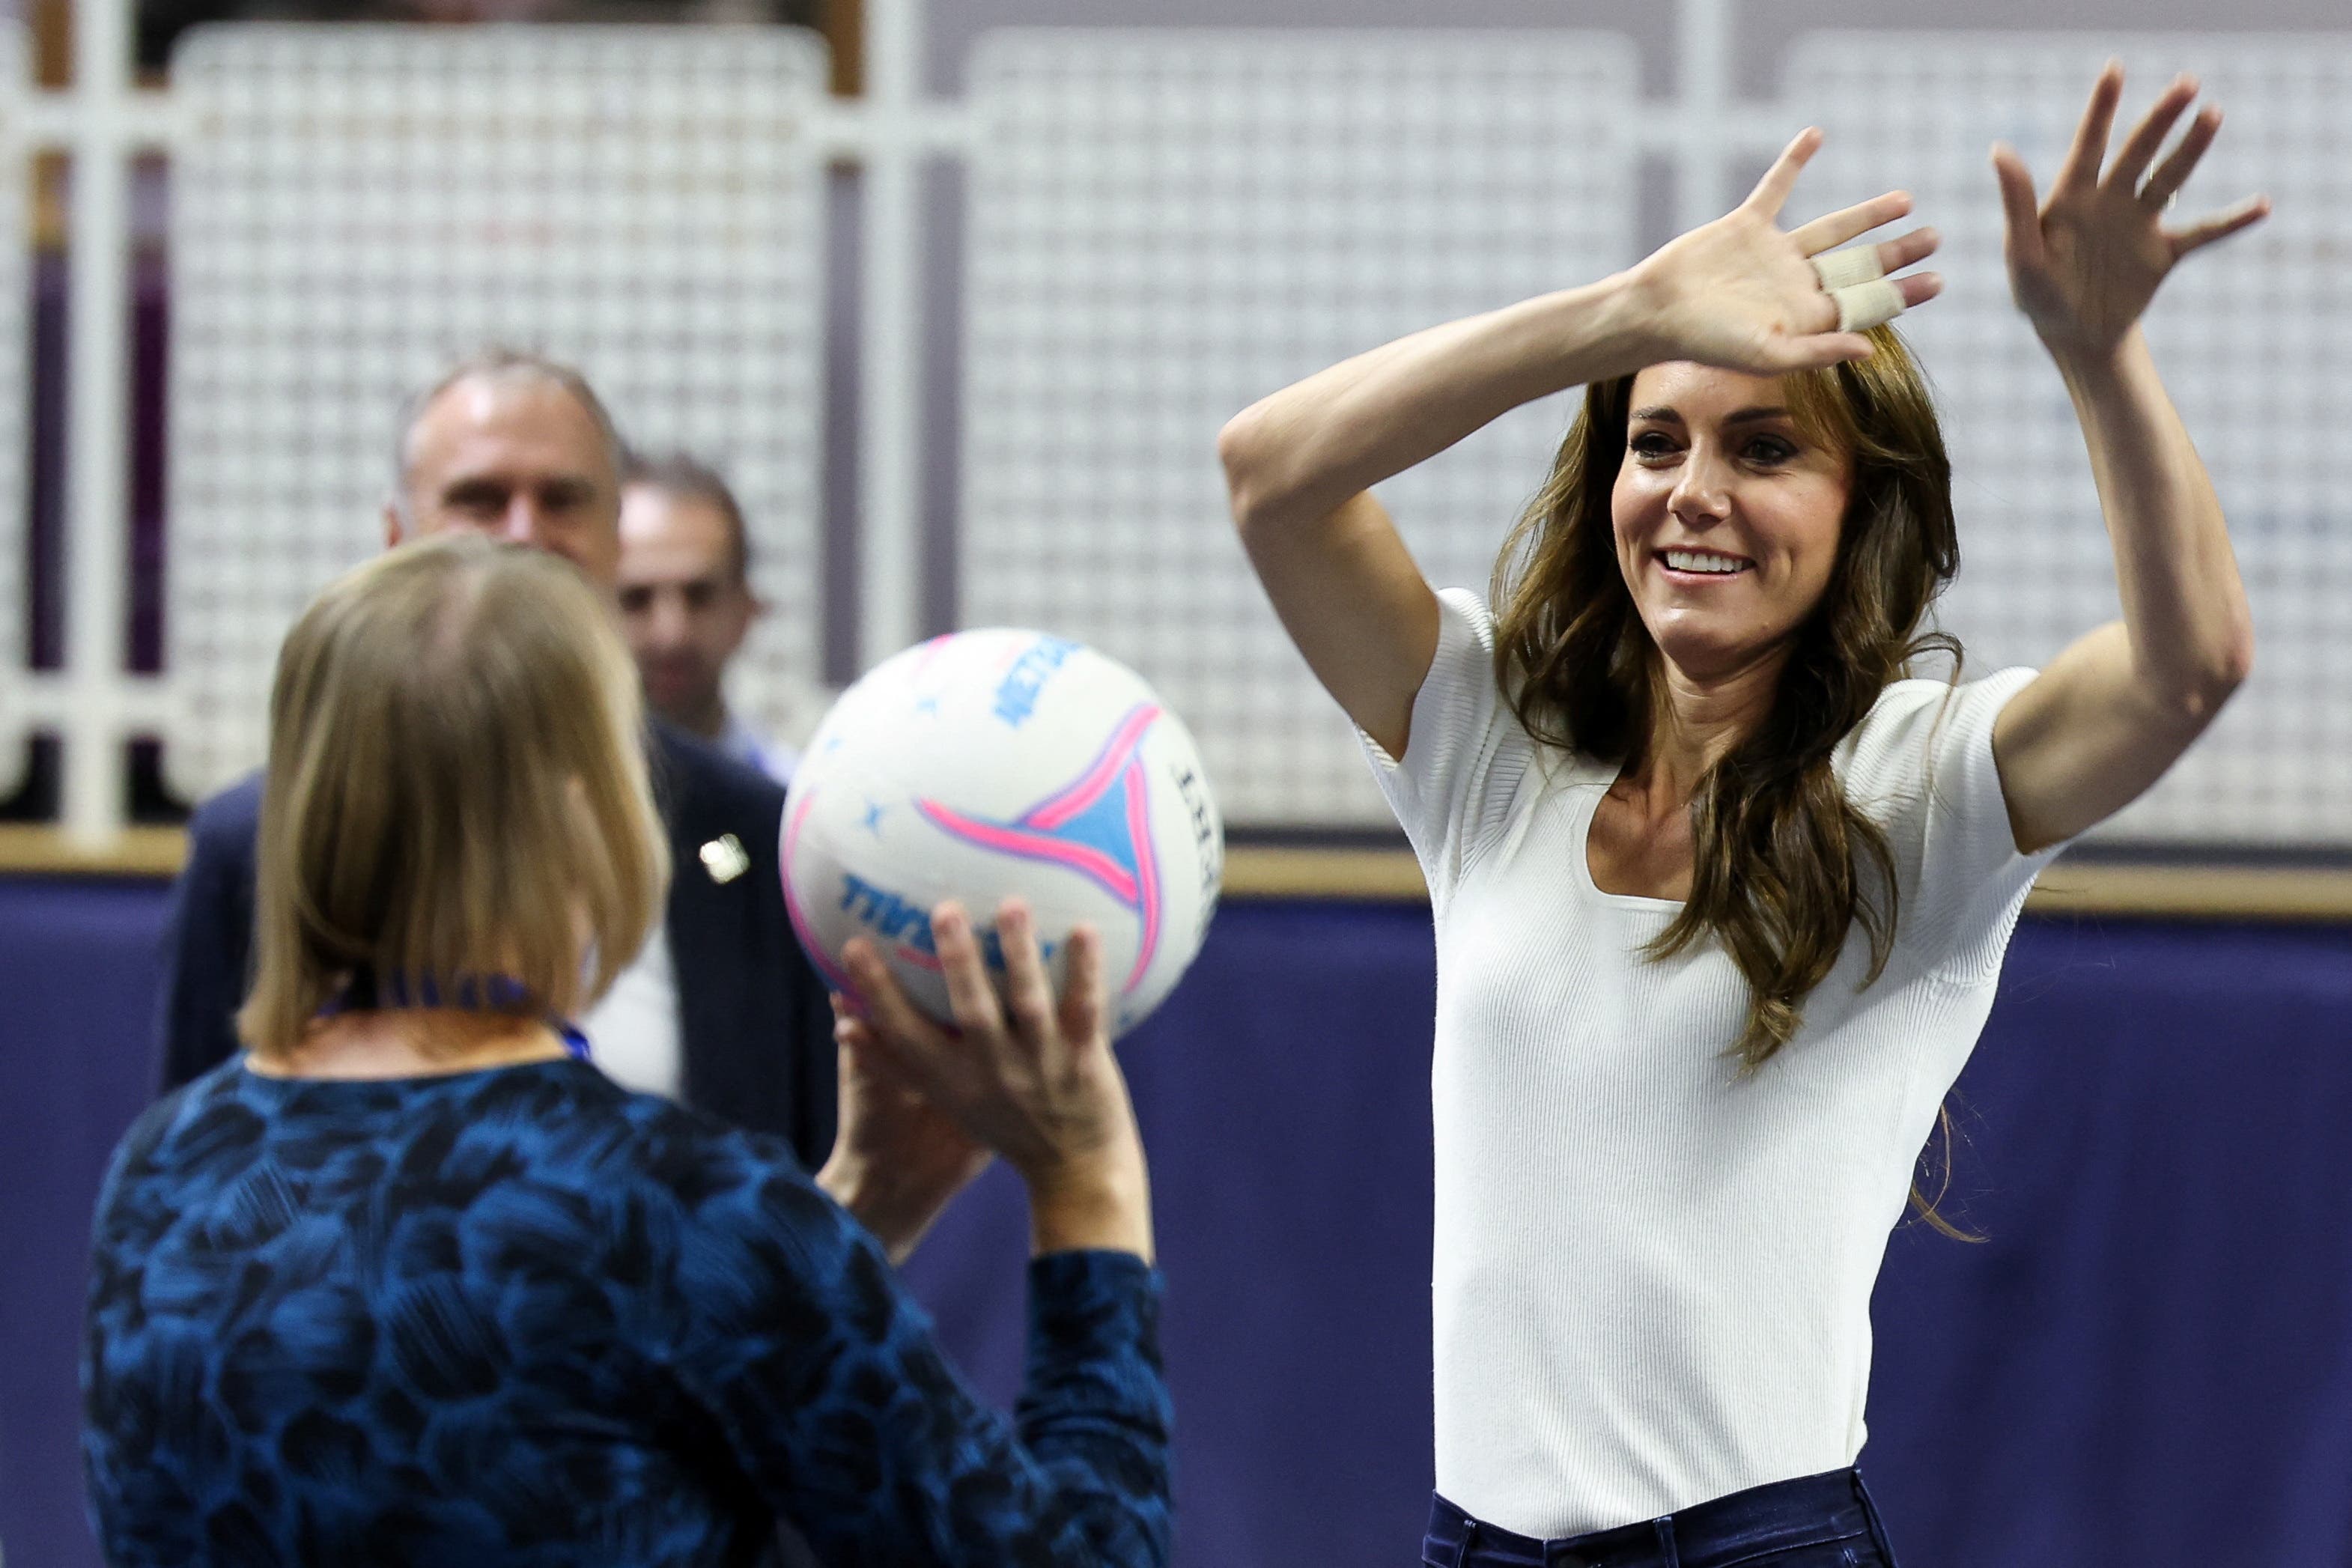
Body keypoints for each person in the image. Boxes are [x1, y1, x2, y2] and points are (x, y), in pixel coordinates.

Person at [1217, 67, 2261, 1565]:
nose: (1692, 493)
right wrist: (1628, 314)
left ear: (1860, 509)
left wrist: (2098, 358)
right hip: (1476, 1543)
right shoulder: (1487, 741)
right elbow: (1271, 475)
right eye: (1655, 443)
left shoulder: (1921, 786)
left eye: (1764, 450)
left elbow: (2188, 670)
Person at [84, 535, 1170, 1567]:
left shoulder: (166, 1170)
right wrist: (1088, 1188)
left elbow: (571, 1401)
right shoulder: (677, 1208)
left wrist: (852, 1212)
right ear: (580, 811)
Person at [154, 351, 836, 1167]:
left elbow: (802, 1209)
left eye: (562, 500)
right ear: (395, 537)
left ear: (618, 537)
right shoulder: (260, 841)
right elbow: (198, 1183)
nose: (523, 535)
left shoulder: (750, 831)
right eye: (480, 499)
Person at [618, 452, 799, 783]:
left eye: (699, 596)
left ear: (746, 611)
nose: (671, 635)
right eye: (636, 599)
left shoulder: (791, 807)